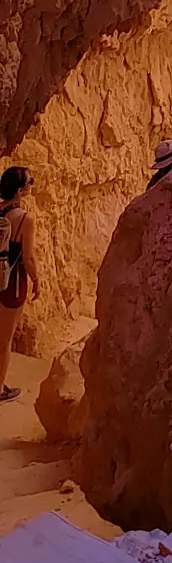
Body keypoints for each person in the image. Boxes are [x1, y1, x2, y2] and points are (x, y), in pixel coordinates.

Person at [0, 166, 40, 404]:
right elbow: (28, 258)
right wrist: (37, 280)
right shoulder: (25, 220)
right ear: (21, 190)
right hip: (12, 283)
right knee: (4, 341)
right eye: (29, 182)